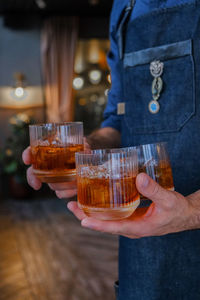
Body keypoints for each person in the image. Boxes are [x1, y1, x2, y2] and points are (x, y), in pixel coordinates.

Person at [23, 0, 200, 299]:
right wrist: (90, 149)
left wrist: (193, 211)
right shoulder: (123, 8)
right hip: (138, 239)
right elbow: (118, 119)